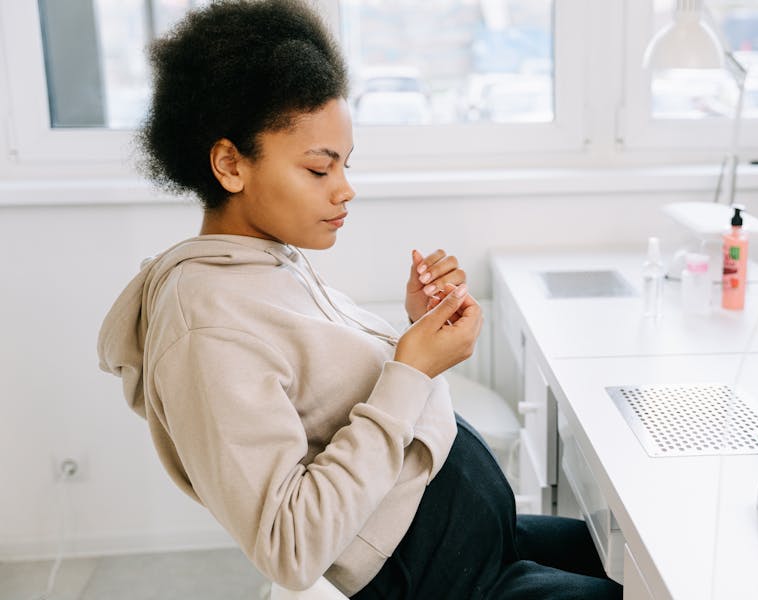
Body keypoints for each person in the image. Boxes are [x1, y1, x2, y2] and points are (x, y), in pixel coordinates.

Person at [97, 1, 623, 598]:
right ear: (229, 164)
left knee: (639, 557)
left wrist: (418, 325)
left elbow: (327, 394)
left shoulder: (265, 261)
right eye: (319, 170)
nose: (346, 189)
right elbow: (289, 547)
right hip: (448, 581)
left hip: (484, 540)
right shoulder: (206, 327)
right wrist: (412, 367)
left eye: (345, 165)